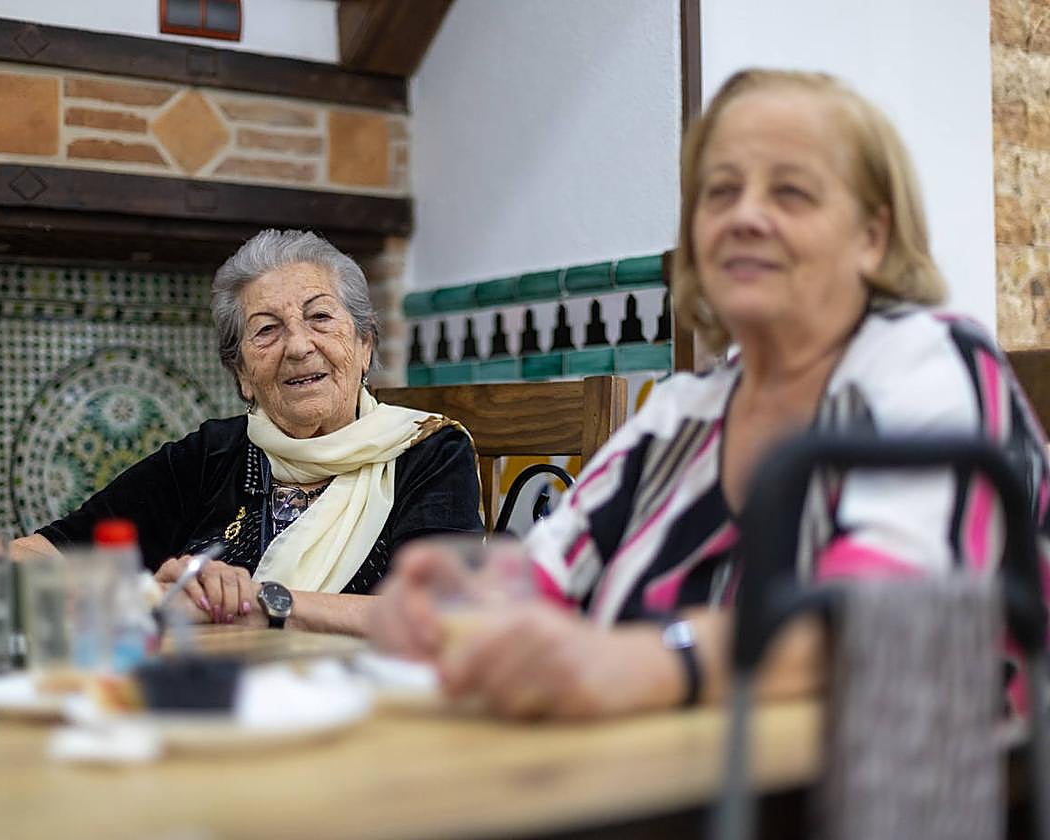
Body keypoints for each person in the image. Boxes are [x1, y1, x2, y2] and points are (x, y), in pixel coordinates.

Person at [368, 68, 1050, 719]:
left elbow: (885, 618)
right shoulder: (676, 417)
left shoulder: (930, 364)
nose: (744, 216)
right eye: (720, 192)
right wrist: (459, 602)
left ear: (872, 237)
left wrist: (660, 664)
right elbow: (548, 573)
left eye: (791, 192)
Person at [13, 230, 482, 634]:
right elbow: (29, 556)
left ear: (364, 345)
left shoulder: (429, 451)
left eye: (320, 317)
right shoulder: (208, 456)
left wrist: (259, 603)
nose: (299, 346)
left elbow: (438, 615)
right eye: (267, 330)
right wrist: (149, 596)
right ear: (241, 374)